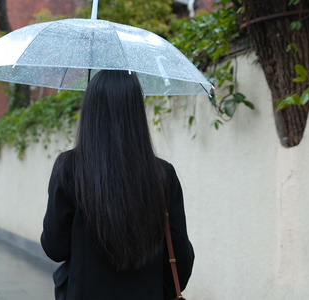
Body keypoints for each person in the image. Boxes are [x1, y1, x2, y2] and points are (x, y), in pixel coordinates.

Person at [41, 70, 195, 300]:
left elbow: (55, 247)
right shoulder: (163, 174)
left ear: (90, 110)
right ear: (137, 112)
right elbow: (181, 257)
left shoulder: (69, 169)